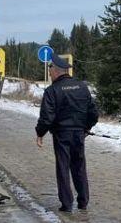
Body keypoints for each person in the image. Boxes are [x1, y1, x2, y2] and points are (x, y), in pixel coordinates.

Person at [35, 55, 99, 212]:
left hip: (62, 134)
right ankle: (83, 201)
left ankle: (67, 204)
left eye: (50, 69)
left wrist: (40, 133)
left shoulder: (52, 91)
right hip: (79, 133)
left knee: (63, 168)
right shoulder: (82, 87)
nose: (49, 73)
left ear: (56, 71)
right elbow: (93, 112)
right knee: (79, 167)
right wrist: (87, 128)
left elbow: (47, 117)